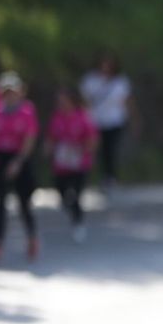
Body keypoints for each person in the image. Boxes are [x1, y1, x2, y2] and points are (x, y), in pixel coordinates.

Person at [0, 72, 42, 263]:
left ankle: (32, 237)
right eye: (6, 92)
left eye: (13, 92)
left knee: (24, 204)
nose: (9, 96)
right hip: (1, 159)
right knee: (1, 203)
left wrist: (18, 162)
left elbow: (30, 139)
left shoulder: (27, 111)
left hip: (21, 159)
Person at [47, 86, 99, 243]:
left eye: (64, 100)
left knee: (76, 194)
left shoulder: (83, 116)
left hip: (79, 163)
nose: (61, 103)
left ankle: (78, 222)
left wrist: (82, 150)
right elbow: (51, 137)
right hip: (62, 163)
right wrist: (48, 149)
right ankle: (69, 208)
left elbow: (92, 139)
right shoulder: (57, 117)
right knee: (62, 191)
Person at [80, 53, 134, 194]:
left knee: (110, 149)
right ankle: (86, 177)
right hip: (94, 120)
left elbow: (126, 101)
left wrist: (133, 118)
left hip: (115, 120)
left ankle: (110, 177)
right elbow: (84, 101)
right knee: (93, 149)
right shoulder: (90, 80)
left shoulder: (120, 81)